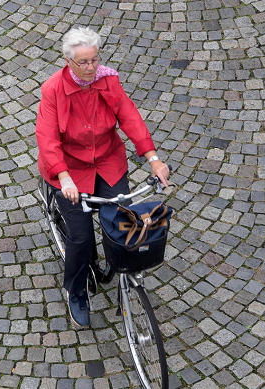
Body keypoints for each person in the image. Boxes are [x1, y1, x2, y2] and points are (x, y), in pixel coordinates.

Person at [35, 26, 170, 327]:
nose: (91, 68)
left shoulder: (107, 81)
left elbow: (129, 116)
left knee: (121, 220)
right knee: (81, 238)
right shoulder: (53, 90)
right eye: (83, 62)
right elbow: (47, 139)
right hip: (69, 172)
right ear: (68, 61)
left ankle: (119, 265)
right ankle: (75, 291)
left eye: (95, 60)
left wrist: (153, 158)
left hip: (107, 162)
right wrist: (64, 177)